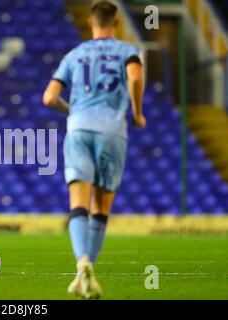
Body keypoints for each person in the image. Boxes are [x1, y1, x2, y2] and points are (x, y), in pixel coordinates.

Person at [42, 0, 146, 299]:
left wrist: (72, 110)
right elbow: (136, 77)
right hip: (112, 131)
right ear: (115, 23)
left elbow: (49, 97)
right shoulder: (127, 51)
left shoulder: (75, 54)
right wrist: (137, 113)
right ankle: (88, 271)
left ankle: (81, 264)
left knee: (78, 204)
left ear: (91, 22)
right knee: (101, 208)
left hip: (78, 130)